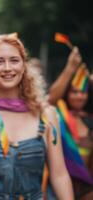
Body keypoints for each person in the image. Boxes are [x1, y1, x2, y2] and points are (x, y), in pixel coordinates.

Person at [0, 35, 73, 199]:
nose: (7, 68)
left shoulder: (45, 115)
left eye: (14, 60)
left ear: (23, 65)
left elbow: (59, 175)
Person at [48, 47, 93, 199]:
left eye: (83, 91)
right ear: (66, 93)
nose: (79, 96)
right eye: (74, 91)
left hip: (87, 190)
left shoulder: (90, 121)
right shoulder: (58, 117)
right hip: (57, 190)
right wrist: (71, 67)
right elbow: (51, 100)